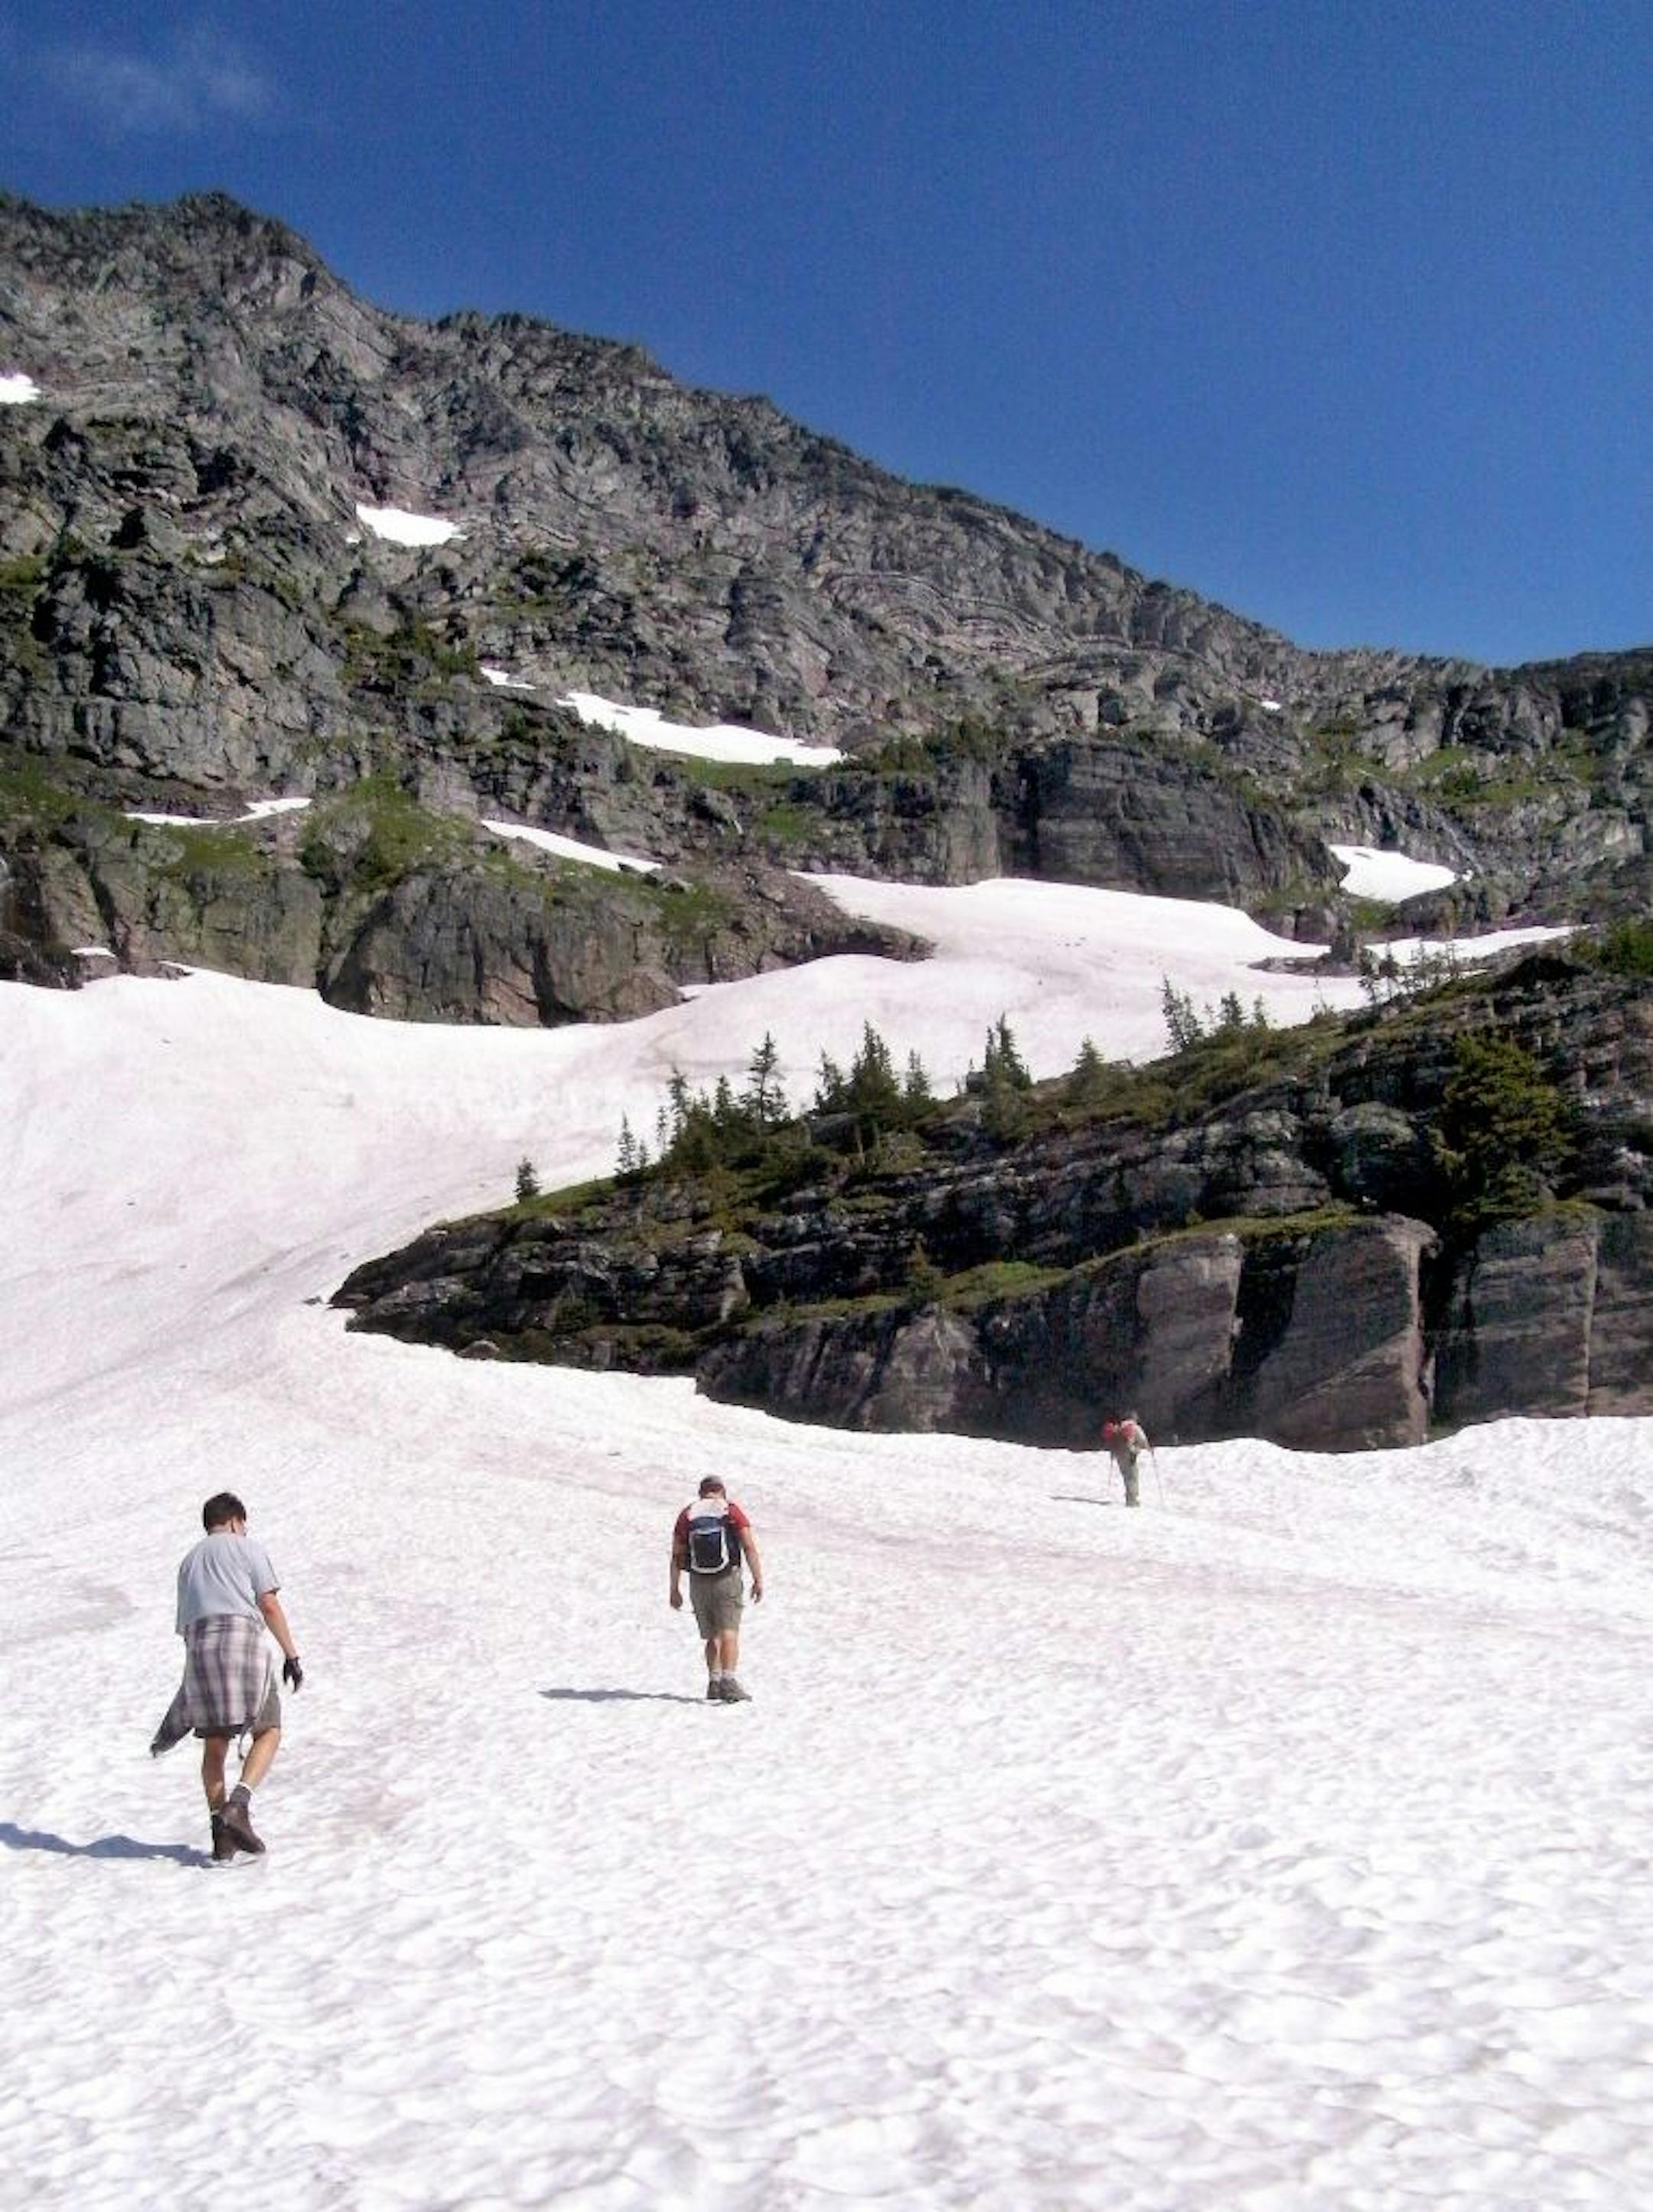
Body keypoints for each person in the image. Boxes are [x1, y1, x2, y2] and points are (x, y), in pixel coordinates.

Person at [149, 1492, 303, 1861]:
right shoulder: (246, 1549)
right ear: (235, 1521)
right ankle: (239, 1805)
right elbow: (268, 1604)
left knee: (214, 1744)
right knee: (269, 1729)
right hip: (242, 1647)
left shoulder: (188, 1562)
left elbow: (185, 1624)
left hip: (199, 1653)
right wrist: (291, 1654)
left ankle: (221, 1834)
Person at [670, 1475, 763, 1702]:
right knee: (729, 1631)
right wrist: (758, 1579)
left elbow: (676, 1555)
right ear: (722, 1491)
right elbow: (748, 1546)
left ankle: (714, 1682)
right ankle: (729, 1681)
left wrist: (674, 1589)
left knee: (712, 1636)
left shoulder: (688, 1514)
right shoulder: (729, 1510)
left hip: (698, 1581)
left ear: (701, 1492)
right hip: (726, 1578)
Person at [1103, 1414, 1150, 1507]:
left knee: (1126, 1477)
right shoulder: (1135, 1427)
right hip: (1130, 1454)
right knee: (1132, 1477)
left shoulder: (1119, 1427)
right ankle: (1132, 1501)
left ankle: (1129, 1497)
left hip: (1119, 1455)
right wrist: (1148, 1448)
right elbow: (1142, 1440)